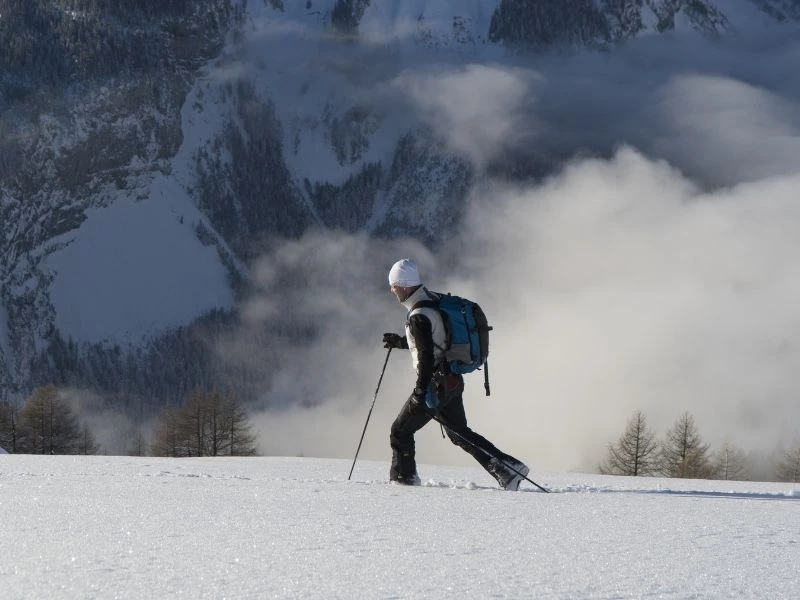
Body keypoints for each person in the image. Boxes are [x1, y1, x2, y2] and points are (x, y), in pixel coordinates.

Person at [382, 258, 530, 490]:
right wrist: (401, 342)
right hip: (451, 380)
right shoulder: (433, 301)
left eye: (394, 286)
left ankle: (403, 483)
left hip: (434, 387)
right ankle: (508, 468)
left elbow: (427, 356)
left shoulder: (418, 315)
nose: (392, 291)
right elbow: (435, 341)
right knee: (459, 434)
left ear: (404, 285)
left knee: (399, 431)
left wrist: (420, 391)